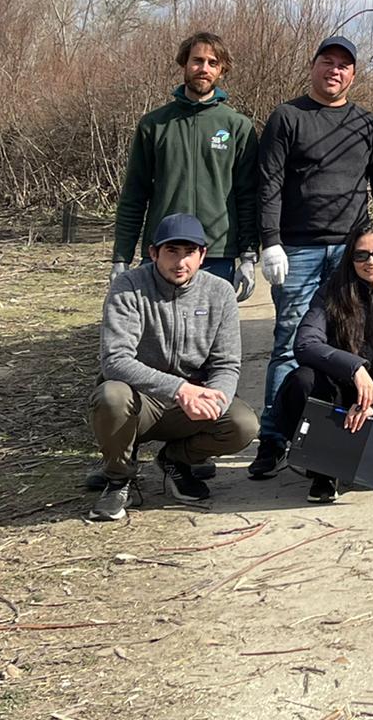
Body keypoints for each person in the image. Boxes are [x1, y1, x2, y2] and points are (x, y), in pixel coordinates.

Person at [249, 34, 373, 478]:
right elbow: (269, 184)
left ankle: (338, 432)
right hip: (296, 248)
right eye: (327, 62)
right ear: (313, 66)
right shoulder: (288, 117)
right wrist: (270, 240)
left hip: (353, 251)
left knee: (349, 340)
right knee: (290, 345)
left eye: (343, 65)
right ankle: (274, 438)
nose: (334, 71)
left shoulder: (368, 125)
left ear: (353, 74)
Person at [86, 213, 258, 522]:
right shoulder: (128, 287)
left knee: (242, 423)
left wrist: (214, 398)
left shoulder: (220, 293)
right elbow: (115, 360)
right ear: (153, 253)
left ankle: (175, 461)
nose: (180, 262)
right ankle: (117, 478)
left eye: (189, 252)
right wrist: (179, 389)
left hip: (190, 404)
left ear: (202, 255)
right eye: (171, 252)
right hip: (139, 400)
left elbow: (227, 363)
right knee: (111, 396)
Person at [272, 218, 373, 503]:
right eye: (361, 255)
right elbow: (305, 344)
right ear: (350, 259)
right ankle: (323, 469)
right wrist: (355, 368)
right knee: (302, 381)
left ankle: (357, 455)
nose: (371, 261)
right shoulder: (329, 294)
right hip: (336, 389)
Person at [111, 31, 259, 296]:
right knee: (157, 333)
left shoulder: (237, 127)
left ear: (222, 70)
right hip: (163, 251)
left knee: (209, 333)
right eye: (197, 60)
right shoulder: (154, 125)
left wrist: (248, 255)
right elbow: (134, 194)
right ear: (184, 64)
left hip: (216, 253)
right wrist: (121, 257)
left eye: (213, 63)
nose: (204, 69)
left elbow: (247, 195)